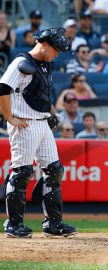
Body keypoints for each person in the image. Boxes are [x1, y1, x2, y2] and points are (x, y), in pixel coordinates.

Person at [0, 27, 77, 237]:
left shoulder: (46, 64)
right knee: (22, 172)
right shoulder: (20, 62)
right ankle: (13, 225)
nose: (58, 53)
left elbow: (42, 94)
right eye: (56, 49)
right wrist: (10, 118)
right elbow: (2, 88)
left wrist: (52, 113)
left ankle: (53, 224)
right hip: (24, 124)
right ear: (44, 44)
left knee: (54, 170)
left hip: (42, 123)